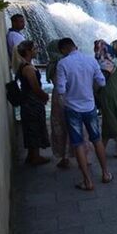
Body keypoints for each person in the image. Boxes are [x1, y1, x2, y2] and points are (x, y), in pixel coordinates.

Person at [56, 38, 113, 191]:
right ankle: (106, 173)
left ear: (63, 50)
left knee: (78, 143)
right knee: (96, 139)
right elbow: (102, 82)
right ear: (76, 46)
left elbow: (60, 90)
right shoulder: (90, 60)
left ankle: (87, 181)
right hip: (90, 106)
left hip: (72, 108)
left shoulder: (63, 64)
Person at [94, 40, 117, 158]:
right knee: (111, 121)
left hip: (108, 96)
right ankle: (101, 149)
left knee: (111, 121)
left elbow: (99, 83)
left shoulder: (102, 65)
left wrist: (93, 93)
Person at [15, 40, 50, 165]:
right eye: (35, 48)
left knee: (31, 127)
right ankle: (35, 157)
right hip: (32, 102)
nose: (37, 50)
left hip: (28, 101)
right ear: (28, 51)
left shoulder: (23, 65)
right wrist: (44, 96)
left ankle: (31, 155)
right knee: (34, 127)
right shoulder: (28, 68)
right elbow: (35, 87)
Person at [46, 39, 72, 168]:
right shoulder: (66, 62)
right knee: (73, 125)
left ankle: (64, 157)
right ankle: (81, 154)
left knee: (60, 127)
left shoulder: (52, 64)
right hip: (71, 95)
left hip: (58, 98)